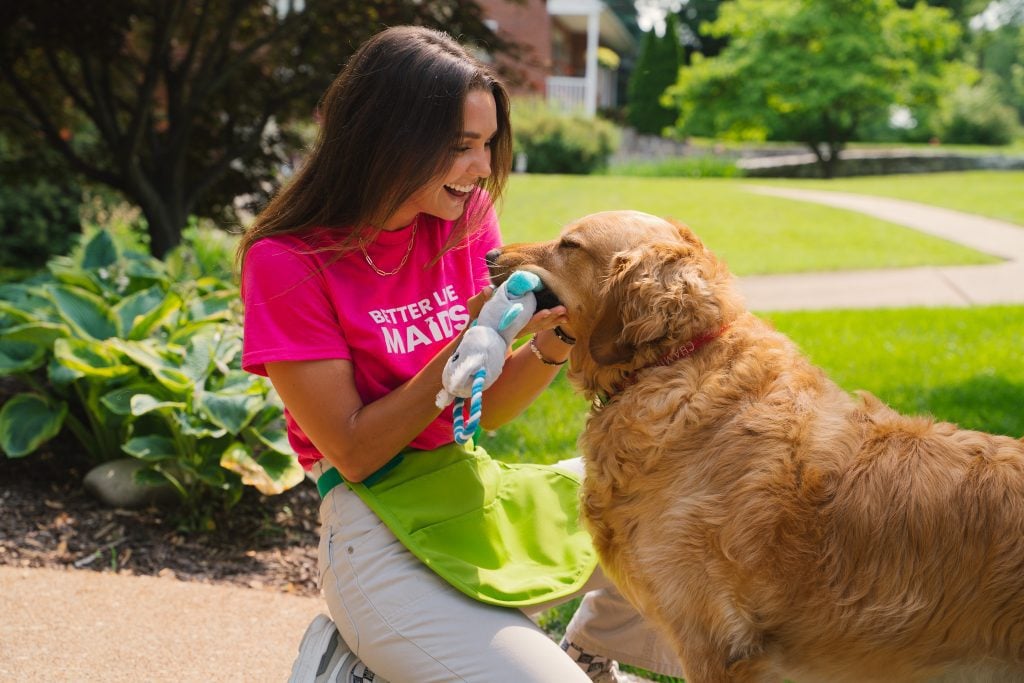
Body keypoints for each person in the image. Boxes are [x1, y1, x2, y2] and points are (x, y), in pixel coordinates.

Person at [237, 25, 685, 683]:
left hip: (467, 491)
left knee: (683, 485)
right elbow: (354, 450)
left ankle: (590, 650)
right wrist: (459, 350)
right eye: (461, 147)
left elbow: (484, 410)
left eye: (487, 145)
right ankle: (353, 659)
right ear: (389, 140)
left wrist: (553, 340)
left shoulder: (464, 221)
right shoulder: (287, 263)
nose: (481, 168)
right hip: (372, 530)